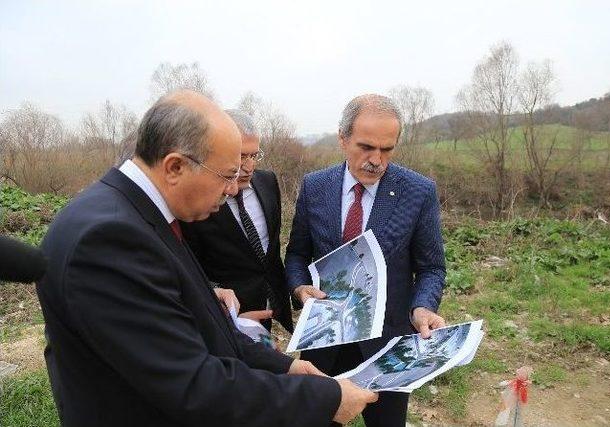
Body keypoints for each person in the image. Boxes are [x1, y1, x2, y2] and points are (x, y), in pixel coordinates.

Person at [36, 90, 377, 427]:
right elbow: (193, 385)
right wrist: (326, 399)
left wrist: (284, 366)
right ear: (175, 166)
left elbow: (186, 319)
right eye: (227, 175)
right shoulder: (109, 240)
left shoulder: (136, 216)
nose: (233, 189)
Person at [285, 94, 447, 427]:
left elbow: (431, 267)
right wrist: (301, 288)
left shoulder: (418, 191)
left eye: (387, 149)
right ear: (342, 139)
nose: (377, 160)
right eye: (366, 147)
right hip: (324, 344)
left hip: (388, 346)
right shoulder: (315, 186)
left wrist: (422, 307)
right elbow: (297, 254)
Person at [182, 110, 293, 333]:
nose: (249, 166)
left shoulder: (268, 182)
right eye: (241, 156)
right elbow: (188, 266)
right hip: (223, 319)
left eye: (254, 155)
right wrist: (221, 308)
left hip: (269, 309)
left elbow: (270, 251)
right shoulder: (197, 199)